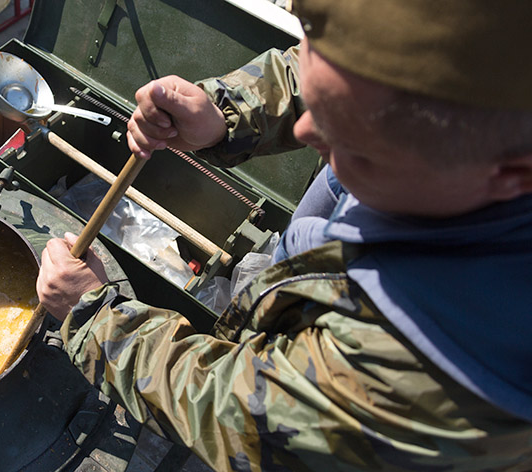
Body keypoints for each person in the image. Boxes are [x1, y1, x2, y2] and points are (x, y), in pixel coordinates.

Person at [36, 0, 532, 470]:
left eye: (355, 144)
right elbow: (359, 66)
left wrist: (95, 318)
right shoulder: (479, 75)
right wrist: (225, 114)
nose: (306, 132)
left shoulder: (442, 373)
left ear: (512, 175)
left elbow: (240, 420)